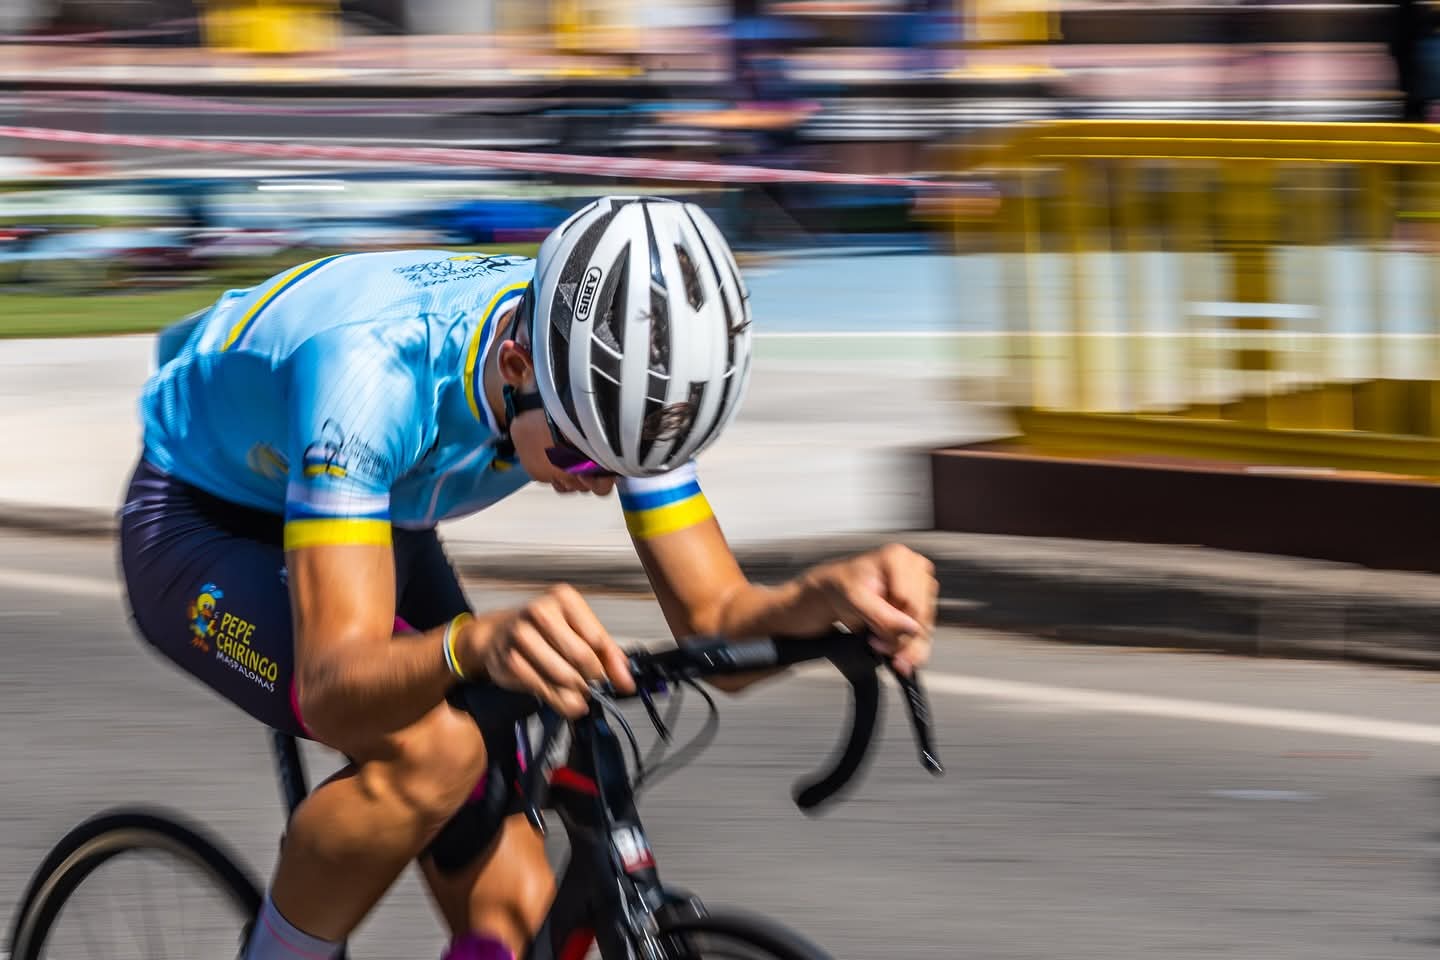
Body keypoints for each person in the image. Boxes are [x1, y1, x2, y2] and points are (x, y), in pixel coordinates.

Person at [119, 195, 937, 960]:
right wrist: (477, 643)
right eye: (586, 455)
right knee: (433, 751)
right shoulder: (372, 373)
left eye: (635, 464)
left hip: (374, 516)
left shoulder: (612, 373)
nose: (608, 482)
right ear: (514, 364)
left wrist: (822, 598)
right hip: (203, 521)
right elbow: (334, 685)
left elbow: (714, 613)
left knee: (517, 924)